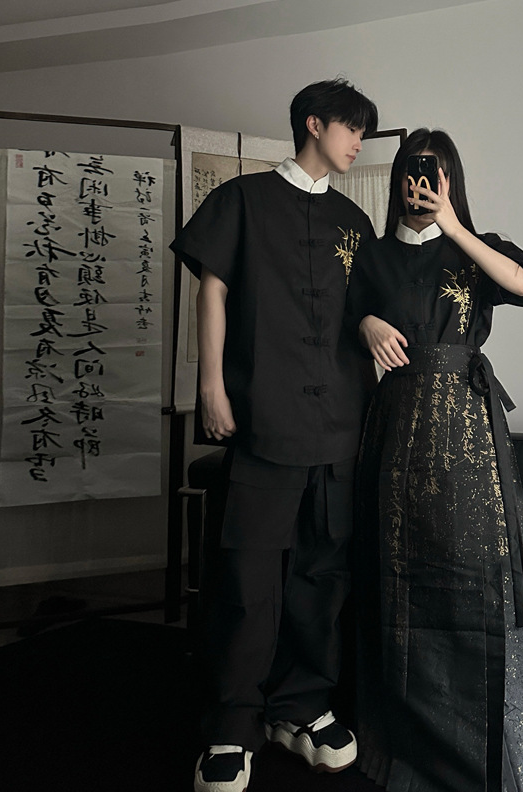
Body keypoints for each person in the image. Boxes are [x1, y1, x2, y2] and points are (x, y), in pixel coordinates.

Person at [346, 129, 523, 792]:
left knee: (477, 571)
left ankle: (495, 746)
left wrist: (452, 224)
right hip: (395, 426)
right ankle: (407, 735)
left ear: (451, 180)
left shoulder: (476, 247)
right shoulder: (373, 255)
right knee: (397, 569)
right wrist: (364, 324)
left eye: (435, 172)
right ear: (398, 178)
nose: (421, 183)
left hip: (466, 430)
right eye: (413, 171)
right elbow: (347, 319)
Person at [170, 78, 379, 792]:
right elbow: (214, 290)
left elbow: (364, 309)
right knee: (248, 576)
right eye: (352, 128)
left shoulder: (354, 221)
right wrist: (211, 386)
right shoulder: (241, 200)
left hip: (341, 424)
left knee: (323, 574)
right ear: (314, 124)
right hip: (265, 417)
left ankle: (303, 706)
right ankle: (233, 723)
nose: (358, 142)